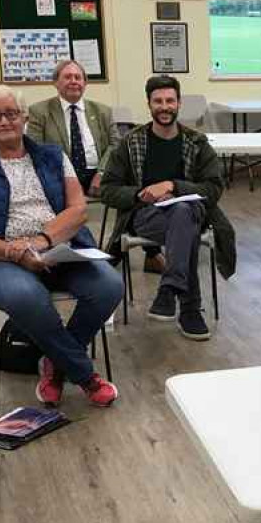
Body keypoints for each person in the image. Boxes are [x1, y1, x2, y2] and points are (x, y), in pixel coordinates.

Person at [0, 85, 122, 407]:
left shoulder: (53, 156)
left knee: (109, 286)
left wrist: (41, 242)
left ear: (25, 118)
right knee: (26, 296)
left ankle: (54, 364)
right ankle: (85, 376)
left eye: (11, 114)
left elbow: (78, 210)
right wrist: (14, 251)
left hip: (58, 247)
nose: (3, 121)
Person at [101, 75, 236, 341]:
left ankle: (170, 290)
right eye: (158, 101)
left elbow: (213, 189)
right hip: (146, 216)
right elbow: (108, 190)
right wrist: (142, 193)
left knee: (183, 214)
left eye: (170, 100)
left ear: (179, 103)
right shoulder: (130, 143)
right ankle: (189, 309)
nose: (164, 106)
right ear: (149, 104)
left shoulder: (197, 143)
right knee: (185, 224)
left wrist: (173, 186)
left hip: (190, 212)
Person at [27, 60, 166, 274]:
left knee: (135, 190)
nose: (74, 81)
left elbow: (115, 145)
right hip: (61, 177)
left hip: (98, 173)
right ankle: (78, 255)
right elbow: (34, 150)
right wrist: (67, 177)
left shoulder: (101, 110)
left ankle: (145, 252)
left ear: (85, 82)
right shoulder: (40, 111)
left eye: (78, 77)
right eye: (67, 77)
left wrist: (102, 172)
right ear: (56, 82)